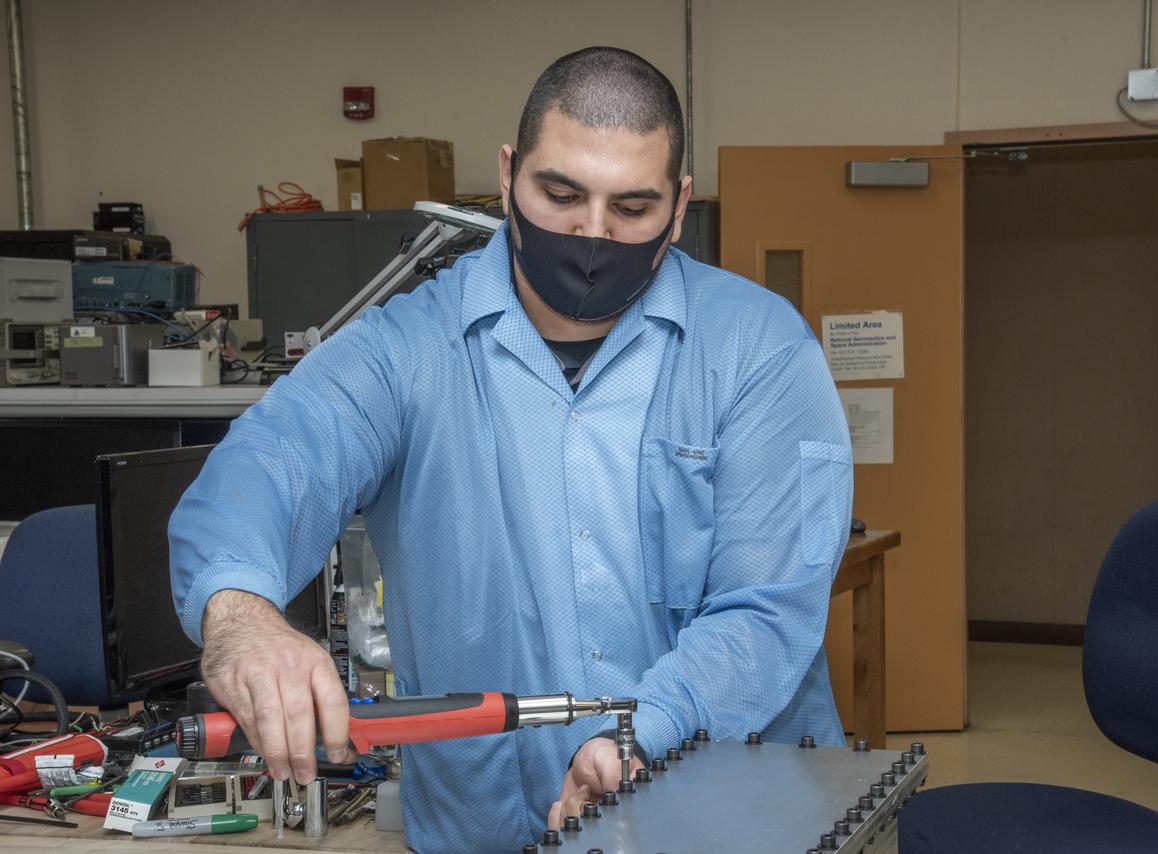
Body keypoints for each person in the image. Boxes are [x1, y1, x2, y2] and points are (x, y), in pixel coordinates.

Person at [169, 46, 853, 853]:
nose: (591, 236)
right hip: (490, 825)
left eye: (631, 208)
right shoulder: (407, 350)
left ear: (679, 205)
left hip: (733, 822)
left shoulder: (758, 349)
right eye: (560, 194)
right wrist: (243, 617)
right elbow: (274, 459)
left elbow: (767, 606)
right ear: (507, 175)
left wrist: (642, 731)